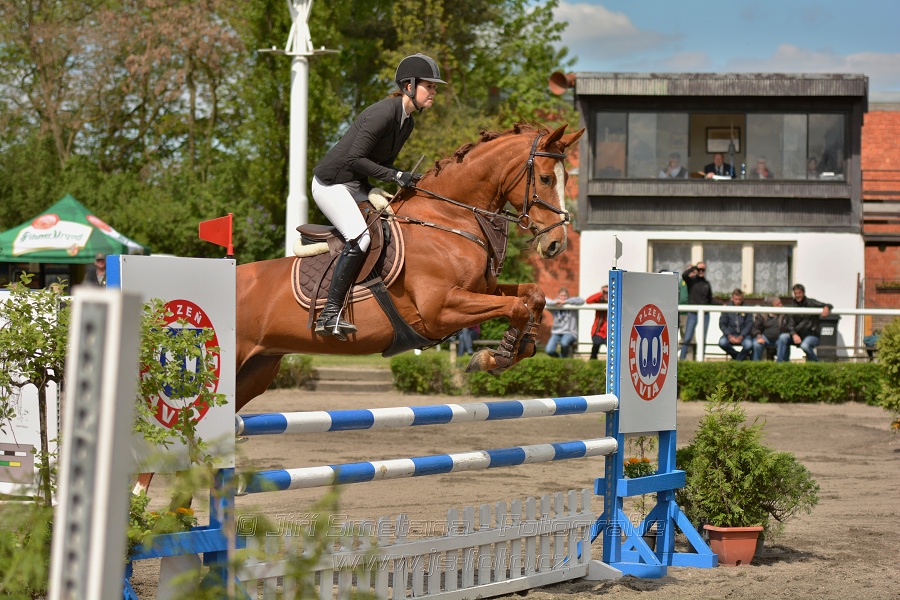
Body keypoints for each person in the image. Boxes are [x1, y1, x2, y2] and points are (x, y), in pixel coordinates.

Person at [310, 53, 446, 340]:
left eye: (434, 87)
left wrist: (406, 176)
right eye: (429, 86)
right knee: (361, 238)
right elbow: (354, 158)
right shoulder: (383, 113)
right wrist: (396, 176)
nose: (434, 91)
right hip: (331, 184)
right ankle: (329, 313)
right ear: (409, 86)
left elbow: (380, 165)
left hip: (356, 184)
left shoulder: (406, 122)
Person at [777, 283, 832, 362]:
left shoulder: (811, 303)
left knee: (805, 346)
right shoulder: (792, 306)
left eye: (799, 293)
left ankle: (817, 363)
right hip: (797, 335)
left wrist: (826, 308)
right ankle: (781, 364)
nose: (797, 295)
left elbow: (827, 305)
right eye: (796, 293)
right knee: (783, 337)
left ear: (803, 293)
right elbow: (790, 323)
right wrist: (794, 334)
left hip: (811, 335)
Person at [679, 262, 714, 360]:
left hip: (705, 314)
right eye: (700, 270)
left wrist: (723, 303)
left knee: (703, 338)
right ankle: (681, 359)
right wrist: (694, 268)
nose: (701, 272)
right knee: (687, 337)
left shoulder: (706, 283)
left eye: (703, 270)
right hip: (693, 313)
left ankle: (701, 359)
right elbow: (684, 275)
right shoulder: (691, 281)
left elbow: (710, 299)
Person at [545, 287, 584, 358]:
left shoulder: (572, 304)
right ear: (558, 296)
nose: (563, 298)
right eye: (561, 296)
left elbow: (581, 300)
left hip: (570, 332)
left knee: (564, 343)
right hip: (557, 332)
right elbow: (544, 299)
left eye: (565, 296)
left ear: (568, 297)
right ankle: (560, 358)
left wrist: (567, 302)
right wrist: (554, 302)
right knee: (549, 350)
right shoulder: (555, 306)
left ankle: (563, 359)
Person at [751, 296, 792, 361]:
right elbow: (755, 328)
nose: (781, 305)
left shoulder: (785, 314)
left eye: (780, 303)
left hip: (779, 339)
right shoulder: (762, 315)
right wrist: (759, 336)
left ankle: (780, 364)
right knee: (756, 344)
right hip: (765, 338)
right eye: (778, 304)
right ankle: (755, 366)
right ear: (771, 307)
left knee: (783, 338)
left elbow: (789, 326)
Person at [718, 288, 753, 360]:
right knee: (722, 343)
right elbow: (722, 324)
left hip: (744, 335)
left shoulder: (747, 308)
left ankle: (738, 360)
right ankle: (739, 357)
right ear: (732, 298)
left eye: (740, 299)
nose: (738, 301)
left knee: (748, 344)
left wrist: (741, 336)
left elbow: (749, 324)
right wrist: (729, 335)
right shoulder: (727, 308)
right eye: (736, 299)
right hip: (730, 334)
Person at [585, 286, 608, 360]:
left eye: (608, 292)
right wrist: (600, 293)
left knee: (613, 349)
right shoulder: (599, 301)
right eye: (605, 293)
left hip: (609, 332)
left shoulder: (615, 301)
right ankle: (592, 363)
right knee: (596, 344)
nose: (606, 294)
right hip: (598, 332)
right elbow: (588, 301)